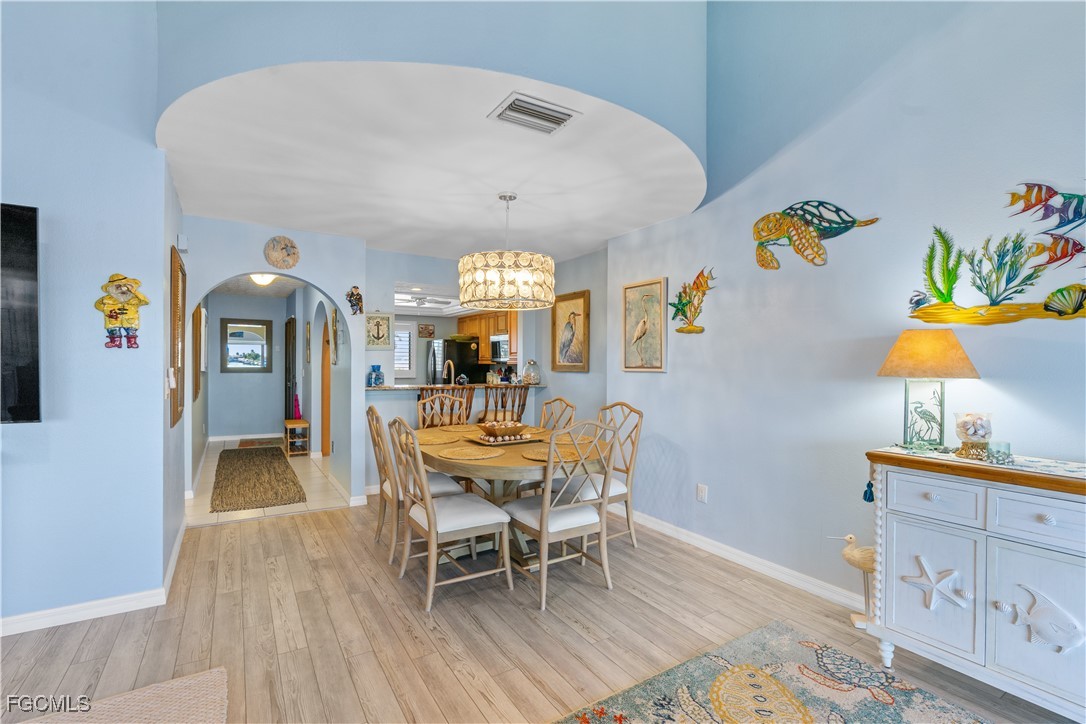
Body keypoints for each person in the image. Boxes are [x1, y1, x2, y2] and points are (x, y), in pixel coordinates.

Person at [94, 273, 149, 349]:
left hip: (131, 320)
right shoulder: (107, 298)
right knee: (113, 330)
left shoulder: (134, 298)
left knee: (131, 331)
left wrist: (134, 291)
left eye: (125, 286)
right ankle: (115, 342)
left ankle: (132, 342)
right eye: (117, 286)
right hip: (113, 319)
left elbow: (145, 301)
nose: (122, 288)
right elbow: (97, 304)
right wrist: (105, 310)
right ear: (112, 288)